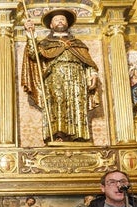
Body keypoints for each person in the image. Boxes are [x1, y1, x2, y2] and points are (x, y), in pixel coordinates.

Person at [21, 9, 100, 143]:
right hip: (55, 77)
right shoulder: (46, 43)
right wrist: (31, 33)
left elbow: (88, 61)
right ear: (51, 25)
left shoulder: (77, 43)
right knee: (57, 102)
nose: (60, 21)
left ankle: (78, 136)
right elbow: (33, 54)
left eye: (63, 19)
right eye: (56, 20)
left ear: (67, 23)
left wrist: (92, 73)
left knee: (77, 103)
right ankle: (58, 135)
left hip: (77, 77)